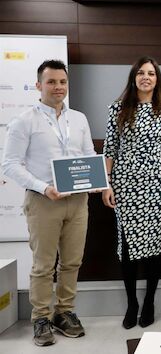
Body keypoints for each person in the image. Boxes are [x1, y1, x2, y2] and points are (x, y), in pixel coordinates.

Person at [1, 60, 95, 346]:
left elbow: (89, 154)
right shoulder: (24, 121)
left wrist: (94, 179)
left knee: (72, 261)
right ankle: (40, 318)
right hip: (43, 200)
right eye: (51, 82)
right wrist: (44, 187)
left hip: (77, 202)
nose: (58, 87)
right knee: (43, 265)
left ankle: (64, 312)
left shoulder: (78, 119)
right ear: (38, 85)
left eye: (62, 82)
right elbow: (9, 164)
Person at [102, 57, 161, 329]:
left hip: (157, 187)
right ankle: (131, 303)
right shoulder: (118, 108)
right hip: (125, 187)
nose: (146, 77)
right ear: (133, 77)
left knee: (154, 247)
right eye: (141, 73)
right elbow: (110, 149)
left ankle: (149, 302)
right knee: (127, 249)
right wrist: (107, 183)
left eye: (151, 73)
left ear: (157, 79)